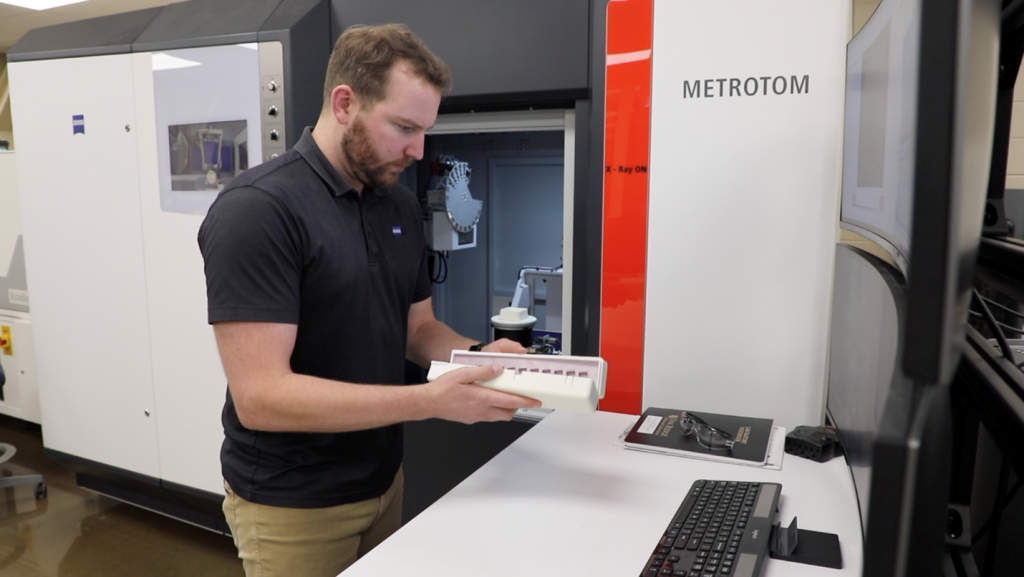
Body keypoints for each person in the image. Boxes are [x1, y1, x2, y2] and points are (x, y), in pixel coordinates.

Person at [197, 23, 539, 577]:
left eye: (425, 129)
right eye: (403, 126)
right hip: (294, 505)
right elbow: (262, 396)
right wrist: (432, 401)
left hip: (383, 481)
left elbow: (418, 331)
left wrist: (483, 358)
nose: (417, 149)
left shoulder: (397, 207)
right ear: (344, 104)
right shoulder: (259, 211)